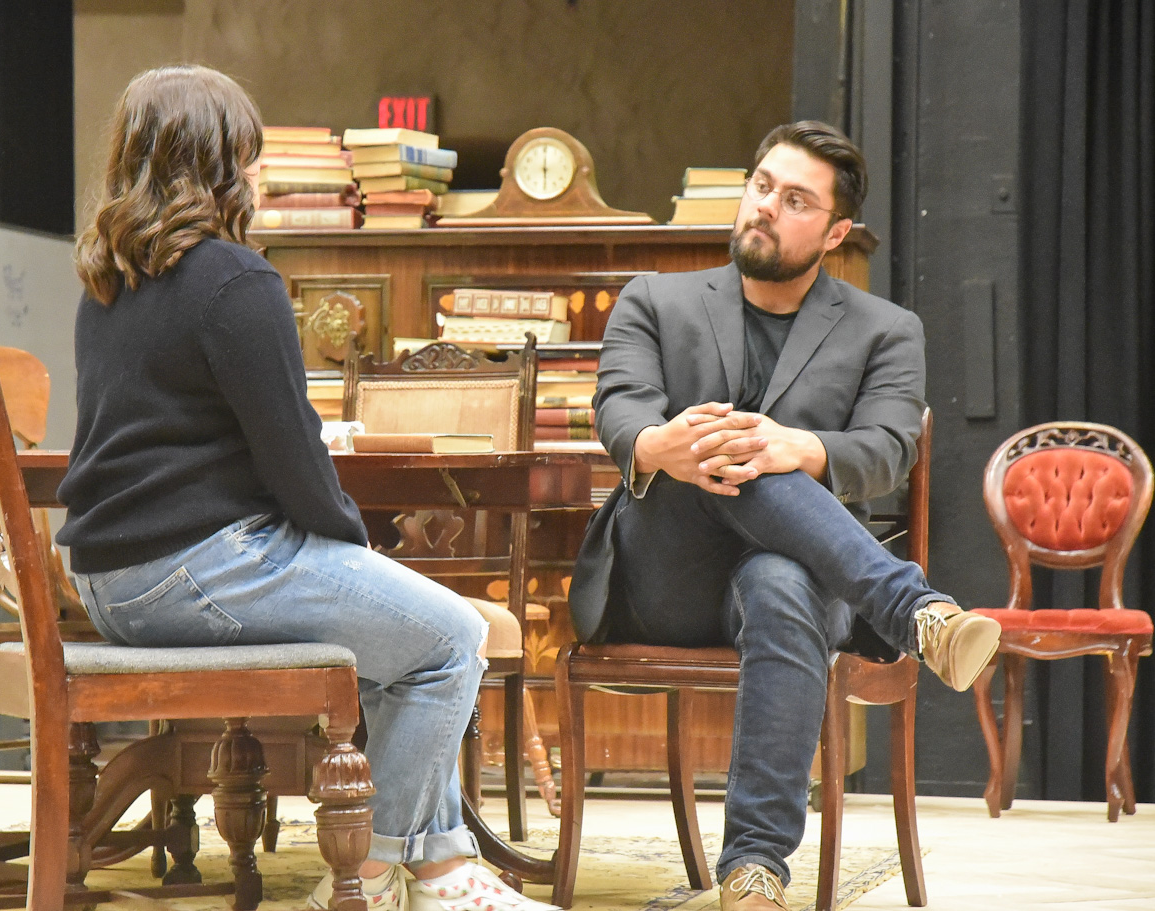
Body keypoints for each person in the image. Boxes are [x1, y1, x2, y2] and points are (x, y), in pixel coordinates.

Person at [56, 65, 556, 911]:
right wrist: (358, 548)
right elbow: (295, 461)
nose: (259, 171)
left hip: (109, 585)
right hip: (198, 566)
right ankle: (382, 873)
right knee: (452, 637)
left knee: (407, 642)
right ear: (220, 162)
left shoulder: (107, 287)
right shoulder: (235, 280)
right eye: (250, 153)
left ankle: (438, 861)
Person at [569, 121, 1001, 911]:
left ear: (836, 232)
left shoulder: (885, 329)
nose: (767, 206)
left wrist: (798, 447)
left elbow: (888, 448)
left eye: (796, 199)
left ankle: (753, 870)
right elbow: (619, 406)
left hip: (803, 577)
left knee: (780, 577)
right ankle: (918, 612)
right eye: (762, 186)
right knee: (732, 452)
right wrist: (666, 445)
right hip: (664, 574)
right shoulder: (654, 299)